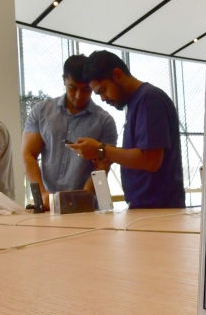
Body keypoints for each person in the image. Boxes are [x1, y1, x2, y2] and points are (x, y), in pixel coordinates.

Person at [68, 50, 185, 209]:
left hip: (159, 209)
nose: (103, 98)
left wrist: (100, 150)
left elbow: (151, 160)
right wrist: (106, 152)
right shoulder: (138, 102)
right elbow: (143, 155)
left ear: (117, 74)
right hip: (149, 208)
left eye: (102, 90)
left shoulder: (149, 99)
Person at [22, 55, 118, 207]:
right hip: (48, 204)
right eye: (72, 88)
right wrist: (42, 193)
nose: (79, 96)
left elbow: (103, 165)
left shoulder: (105, 121)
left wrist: (84, 196)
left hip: (86, 206)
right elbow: (28, 155)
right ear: (63, 80)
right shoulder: (41, 112)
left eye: (86, 90)